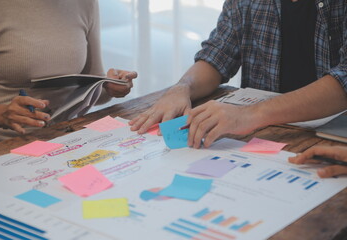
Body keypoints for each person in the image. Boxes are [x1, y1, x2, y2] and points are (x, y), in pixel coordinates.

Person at [129, 0, 347, 176]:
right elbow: (218, 54)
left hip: (333, 144)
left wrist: (250, 115)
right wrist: (182, 88)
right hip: (261, 145)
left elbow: (344, 80)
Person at [0, 0, 137, 145]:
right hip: (5, 146)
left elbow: (93, 91)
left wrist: (110, 86)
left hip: (69, 139)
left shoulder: (85, 3)